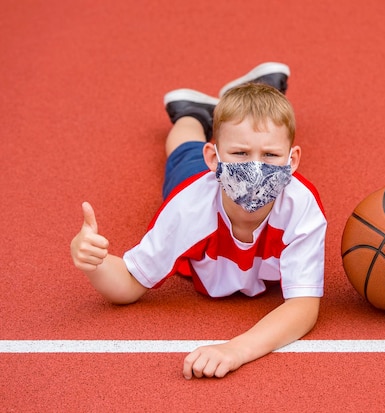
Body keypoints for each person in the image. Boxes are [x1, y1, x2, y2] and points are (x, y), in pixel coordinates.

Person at [70, 63, 327, 379]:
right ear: (214, 158)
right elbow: (127, 284)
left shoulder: (301, 206)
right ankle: (193, 114)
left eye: (271, 156)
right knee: (182, 150)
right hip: (195, 178)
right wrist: (93, 262)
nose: (256, 168)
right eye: (240, 153)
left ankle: (236, 102)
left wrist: (236, 349)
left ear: (293, 160)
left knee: (228, 135)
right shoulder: (189, 207)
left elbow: (303, 307)